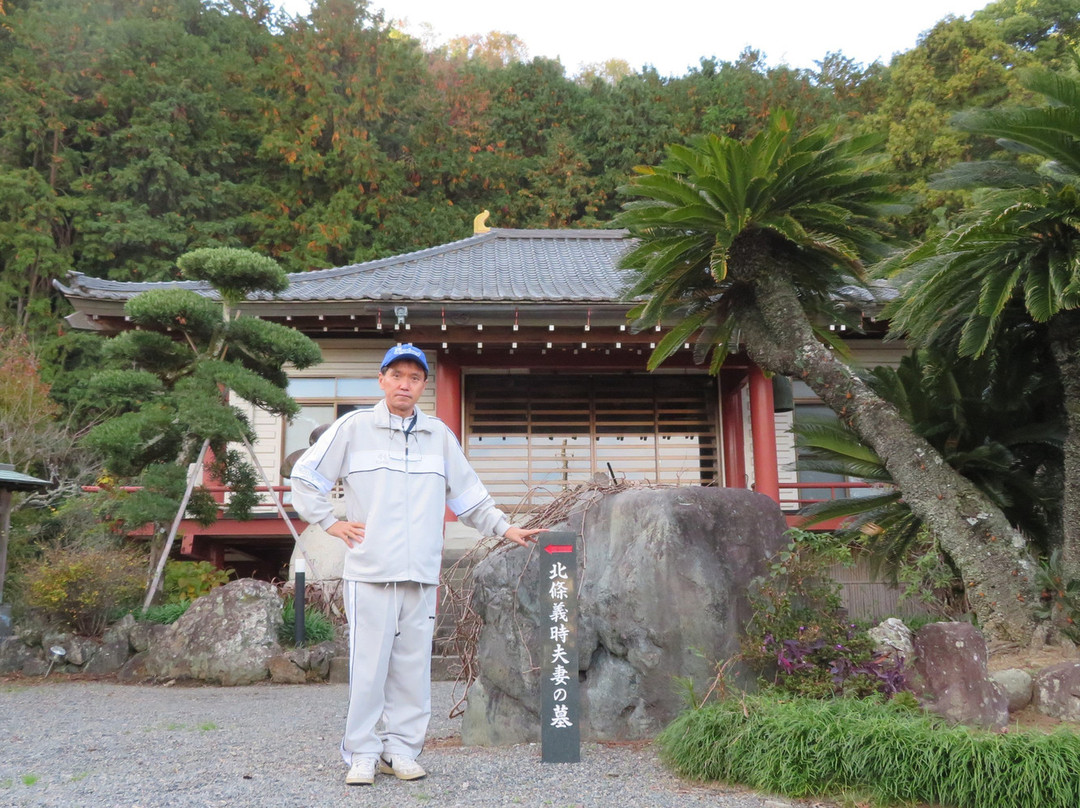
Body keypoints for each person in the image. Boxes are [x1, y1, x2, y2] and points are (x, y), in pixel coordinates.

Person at [290, 343, 543, 786]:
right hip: (370, 571)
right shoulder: (353, 428)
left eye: (414, 377)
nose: (405, 383)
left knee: (411, 668)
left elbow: (468, 497)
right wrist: (330, 522)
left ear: (424, 385)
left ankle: (401, 750)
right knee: (368, 667)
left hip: (421, 573)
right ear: (382, 380)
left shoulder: (439, 436)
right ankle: (362, 753)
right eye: (397, 375)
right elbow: (306, 477)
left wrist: (506, 529)